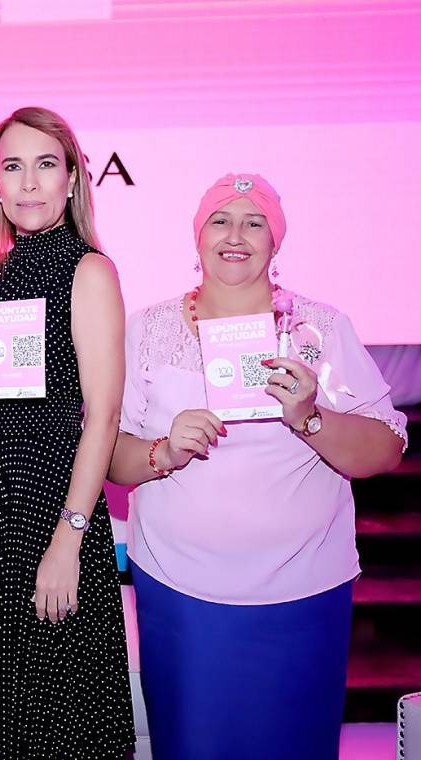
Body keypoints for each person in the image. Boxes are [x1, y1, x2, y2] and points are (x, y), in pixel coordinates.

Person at [108, 173, 407, 760]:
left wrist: (310, 417)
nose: (235, 235)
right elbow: (111, 456)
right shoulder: (149, 329)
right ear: (197, 238)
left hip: (305, 591)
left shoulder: (318, 329)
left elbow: (384, 449)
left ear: (277, 242)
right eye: (220, 220)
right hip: (182, 592)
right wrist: (163, 451)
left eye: (255, 222)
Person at [0, 107, 136, 760]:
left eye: (45, 165)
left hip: (53, 511)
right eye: (11, 167)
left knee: (58, 723)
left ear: (72, 179)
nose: (27, 183)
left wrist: (67, 542)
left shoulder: (89, 271)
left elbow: (101, 415)